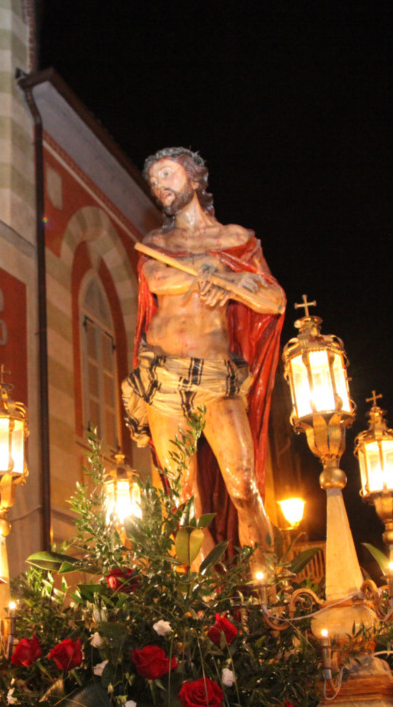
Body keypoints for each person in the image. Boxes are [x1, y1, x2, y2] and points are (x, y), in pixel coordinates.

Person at [121, 147, 285, 562]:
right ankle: (199, 608)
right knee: (181, 502)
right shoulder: (158, 243)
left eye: (168, 175)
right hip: (164, 380)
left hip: (216, 377)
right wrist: (206, 269)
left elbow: (275, 299)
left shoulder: (235, 240)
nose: (160, 187)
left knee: (244, 485)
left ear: (194, 179)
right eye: (155, 182)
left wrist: (229, 280)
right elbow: (159, 278)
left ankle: (270, 588)